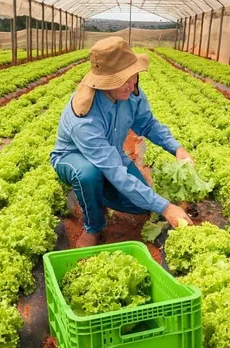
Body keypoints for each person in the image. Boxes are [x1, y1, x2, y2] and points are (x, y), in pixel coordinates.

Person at [51, 37, 194, 248]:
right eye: (122, 80)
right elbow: (115, 172)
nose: (131, 84)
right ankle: (94, 225)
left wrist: (177, 148)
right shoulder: (85, 118)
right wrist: (166, 208)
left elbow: (148, 125)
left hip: (112, 154)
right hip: (72, 158)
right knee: (89, 174)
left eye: (132, 76)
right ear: (103, 83)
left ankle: (96, 196)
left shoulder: (131, 93)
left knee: (138, 205)